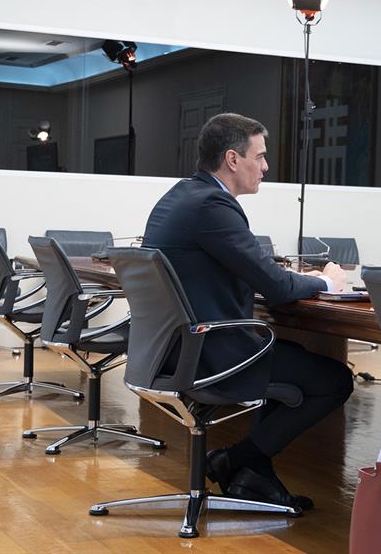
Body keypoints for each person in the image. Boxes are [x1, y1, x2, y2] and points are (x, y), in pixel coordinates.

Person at [142, 113, 353, 511]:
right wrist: (327, 282)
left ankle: (248, 469)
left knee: (292, 367)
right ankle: (240, 460)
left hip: (172, 349)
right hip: (210, 355)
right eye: (260, 156)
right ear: (233, 159)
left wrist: (282, 274)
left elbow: (252, 269)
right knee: (333, 380)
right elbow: (274, 287)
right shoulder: (213, 206)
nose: (266, 166)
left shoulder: (181, 196)